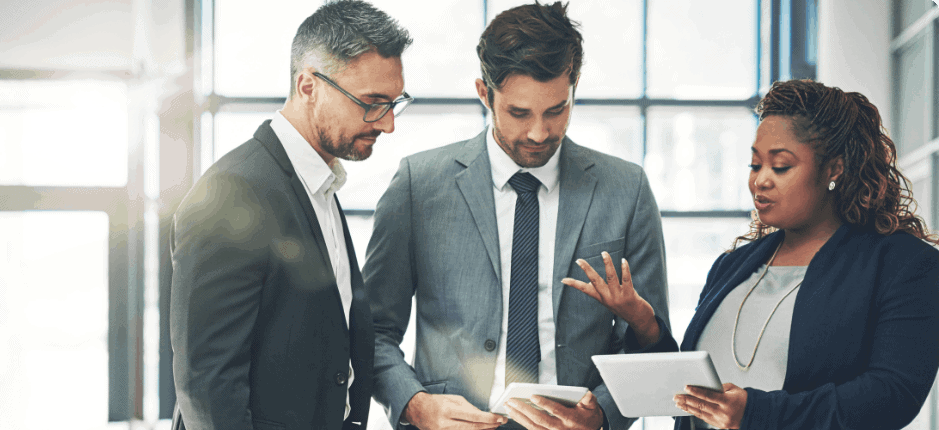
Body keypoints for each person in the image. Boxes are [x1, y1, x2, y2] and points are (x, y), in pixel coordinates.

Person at [365, 3, 676, 429]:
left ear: (574, 87)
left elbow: (650, 339)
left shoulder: (626, 190)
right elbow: (373, 331)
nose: (538, 133)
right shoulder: (419, 185)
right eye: (518, 113)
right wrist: (414, 404)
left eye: (556, 110)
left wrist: (602, 412)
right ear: (484, 92)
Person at [566, 79, 939, 430]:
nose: (760, 180)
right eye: (755, 164)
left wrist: (756, 413)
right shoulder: (733, 266)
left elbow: (893, 396)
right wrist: (645, 324)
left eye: (780, 166)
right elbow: (695, 392)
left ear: (834, 169)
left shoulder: (904, 265)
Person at [168, 2, 413, 429]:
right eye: (372, 103)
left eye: (394, 103)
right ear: (308, 86)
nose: (387, 124)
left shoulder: (318, 185)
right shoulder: (232, 193)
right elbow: (207, 385)